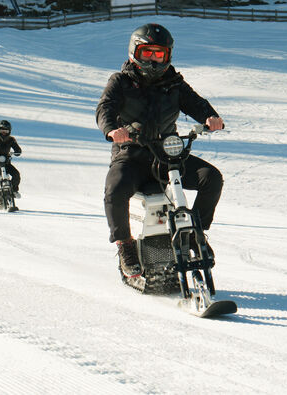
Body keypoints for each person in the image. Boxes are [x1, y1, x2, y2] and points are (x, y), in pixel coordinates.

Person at [96, 24, 224, 279]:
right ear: (135, 52)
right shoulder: (121, 81)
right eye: (148, 53)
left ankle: (195, 234)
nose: (153, 61)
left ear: (168, 56)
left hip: (167, 154)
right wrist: (112, 130)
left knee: (211, 178)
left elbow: (195, 103)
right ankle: (125, 246)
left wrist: (210, 116)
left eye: (159, 54)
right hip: (130, 153)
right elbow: (105, 108)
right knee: (115, 189)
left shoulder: (174, 83)